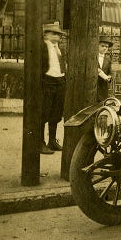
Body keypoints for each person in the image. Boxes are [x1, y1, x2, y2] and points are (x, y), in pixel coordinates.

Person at [40, 22, 67, 154]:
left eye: (58, 34)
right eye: (54, 34)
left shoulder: (58, 48)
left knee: (56, 113)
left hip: (60, 81)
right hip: (48, 81)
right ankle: (40, 142)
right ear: (46, 35)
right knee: (44, 112)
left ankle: (52, 140)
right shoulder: (42, 47)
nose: (57, 37)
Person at [97, 36, 113, 101]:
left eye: (106, 47)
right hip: (93, 86)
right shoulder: (93, 57)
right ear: (97, 46)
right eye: (102, 46)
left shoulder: (108, 59)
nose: (104, 48)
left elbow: (110, 72)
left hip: (103, 87)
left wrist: (109, 77)